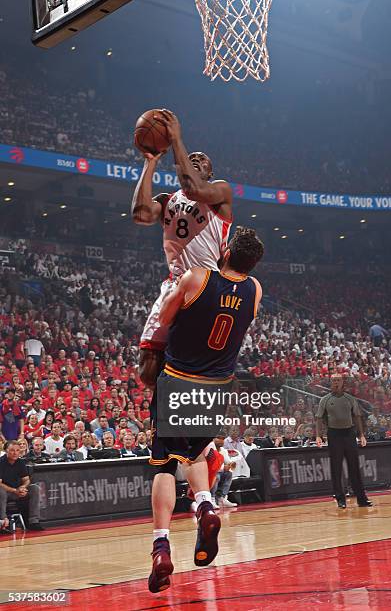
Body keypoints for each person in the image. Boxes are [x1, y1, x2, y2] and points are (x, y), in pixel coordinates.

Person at [147, 227, 263, 593]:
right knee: (195, 452)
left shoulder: (197, 277)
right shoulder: (255, 290)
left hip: (179, 379)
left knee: (166, 464)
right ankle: (205, 506)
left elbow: (163, 321)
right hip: (217, 387)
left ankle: (161, 546)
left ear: (225, 250)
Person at [131, 109, 233, 387]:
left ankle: (190, 414)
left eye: (202, 161)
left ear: (210, 172)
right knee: (148, 371)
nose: (196, 160)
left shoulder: (219, 191)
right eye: (192, 159)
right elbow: (140, 214)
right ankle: (163, 416)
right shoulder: (167, 200)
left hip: (208, 284)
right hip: (175, 283)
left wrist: (176, 139)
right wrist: (150, 163)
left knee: (195, 365)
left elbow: (193, 189)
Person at [316, 374, 372, 509]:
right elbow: (319, 418)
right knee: (336, 468)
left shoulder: (350, 399)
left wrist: (361, 435)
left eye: (338, 380)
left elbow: (357, 417)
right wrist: (319, 436)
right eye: (333, 380)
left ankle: (361, 499)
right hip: (334, 434)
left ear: (342, 382)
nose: (335, 382)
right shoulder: (325, 400)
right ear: (330, 382)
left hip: (349, 434)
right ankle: (340, 498)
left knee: (354, 467)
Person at [0, 441, 44, 530]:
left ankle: (33, 521)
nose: (15, 453)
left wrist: (23, 487)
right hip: (6, 492)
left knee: (34, 488)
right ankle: (3, 522)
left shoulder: (20, 462)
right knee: (1, 491)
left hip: (17, 491)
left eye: (17, 450)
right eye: (12, 450)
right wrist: (14, 490)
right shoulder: (1, 462)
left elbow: (26, 480)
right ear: (6, 451)